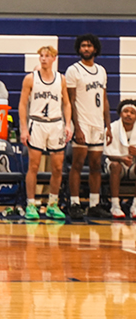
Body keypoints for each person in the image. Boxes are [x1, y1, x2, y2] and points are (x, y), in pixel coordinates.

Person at [18, 46, 72, 221]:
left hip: (56, 124)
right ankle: (31, 204)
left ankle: (52, 204)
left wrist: (68, 124)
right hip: (37, 123)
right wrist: (24, 128)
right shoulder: (30, 78)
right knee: (33, 167)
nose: (43, 59)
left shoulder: (61, 79)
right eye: (41, 56)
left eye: (47, 56)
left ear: (54, 58)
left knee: (57, 168)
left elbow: (67, 103)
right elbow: (22, 104)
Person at [65, 34, 113, 219]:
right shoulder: (73, 70)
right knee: (77, 164)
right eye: (83, 46)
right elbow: (71, 100)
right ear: (79, 49)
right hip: (82, 123)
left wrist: (107, 125)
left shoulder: (101, 70)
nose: (86, 48)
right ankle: (74, 203)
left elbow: (105, 99)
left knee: (95, 165)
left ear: (95, 49)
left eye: (89, 46)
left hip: (97, 123)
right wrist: (76, 126)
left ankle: (94, 204)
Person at [106, 100, 136, 219]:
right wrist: (121, 158)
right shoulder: (112, 128)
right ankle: (115, 205)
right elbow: (108, 154)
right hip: (117, 163)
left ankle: (134, 205)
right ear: (120, 113)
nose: (128, 114)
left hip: (133, 165)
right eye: (126, 111)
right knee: (115, 165)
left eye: (132, 112)